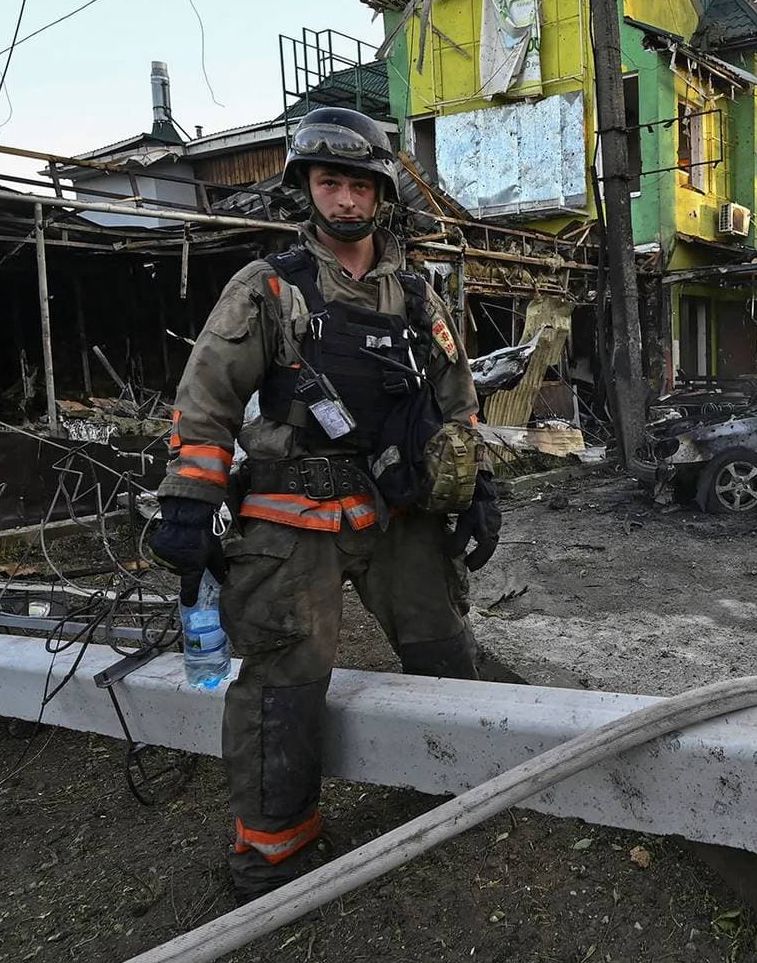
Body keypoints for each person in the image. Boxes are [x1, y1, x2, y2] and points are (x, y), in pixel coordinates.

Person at [148, 107, 502, 899]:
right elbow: (205, 403)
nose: (344, 200)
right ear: (306, 189)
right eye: (328, 182)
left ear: (382, 196)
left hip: (400, 513)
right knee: (283, 680)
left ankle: (460, 789)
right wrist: (188, 501)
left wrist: (477, 489)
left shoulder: (418, 298)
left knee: (446, 652)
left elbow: (458, 404)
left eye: (358, 185)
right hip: (289, 515)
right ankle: (274, 850)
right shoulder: (267, 289)